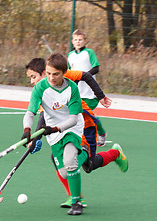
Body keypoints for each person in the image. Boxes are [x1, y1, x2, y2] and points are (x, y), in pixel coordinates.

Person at [25, 57, 129, 210]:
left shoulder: (67, 80)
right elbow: (42, 116)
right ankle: (74, 196)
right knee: (62, 163)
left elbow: (86, 76)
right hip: (61, 130)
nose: (32, 81)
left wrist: (100, 96)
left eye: (34, 77)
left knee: (87, 164)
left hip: (83, 127)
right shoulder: (42, 89)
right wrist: (33, 136)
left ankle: (114, 154)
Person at [68, 29, 107, 147]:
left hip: (90, 92)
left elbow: (96, 68)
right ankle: (94, 134)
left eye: (80, 40)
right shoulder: (70, 55)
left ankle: (100, 134)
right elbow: (69, 72)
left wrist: (84, 77)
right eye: (76, 40)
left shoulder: (89, 53)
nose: (78, 42)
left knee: (87, 114)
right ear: (72, 41)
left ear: (85, 41)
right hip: (76, 92)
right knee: (83, 114)